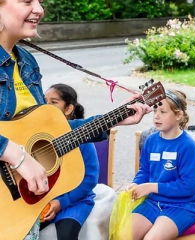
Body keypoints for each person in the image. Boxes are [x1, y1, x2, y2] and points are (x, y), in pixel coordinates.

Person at [0, 0, 150, 239]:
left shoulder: (26, 62)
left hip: (19, 210)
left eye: (39, 1)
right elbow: (16, 149)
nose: (39, 9)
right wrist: (15, 154)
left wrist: (114, 119)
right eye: (27, 1)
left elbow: (51, 132)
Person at [125, 90, 195, 240]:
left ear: (178, 115)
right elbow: (145, 170)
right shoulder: (150, 140)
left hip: (183, 206)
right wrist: (136, 183)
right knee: (125, 235)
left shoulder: (188, 146)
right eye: (155, 110)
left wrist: (151, 187)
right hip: (152, 202)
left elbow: (188, 186)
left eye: (163, 111)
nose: (156, 116)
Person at [40, 83, 99, 240]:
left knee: (66, 235)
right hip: (44, 201)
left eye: (54, 102)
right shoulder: (38, 137)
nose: (47, 106)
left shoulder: (81, 137)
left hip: (75, 200)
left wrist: (62, 202)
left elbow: (90, 179)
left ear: (68, 109)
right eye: (44, 101)